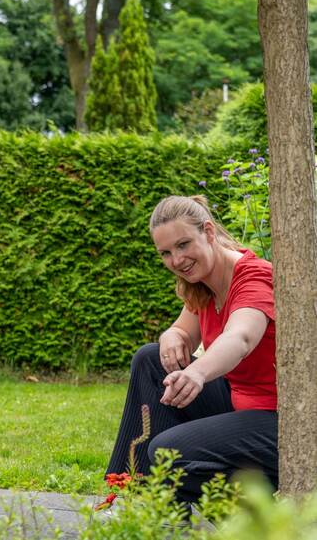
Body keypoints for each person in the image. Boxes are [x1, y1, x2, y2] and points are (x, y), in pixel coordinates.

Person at [103, 194, 277, 507]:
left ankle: (256, 519)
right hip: (240, 405)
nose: (176, 260)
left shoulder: (254, 277)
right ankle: (130, 491)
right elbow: (183, 330)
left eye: (183, 245)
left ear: (209, 232)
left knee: (167, 452)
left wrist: (197, 372)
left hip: (278, 420)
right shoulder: (204, 283)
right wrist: (172, 334)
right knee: (150, 357)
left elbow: (240, 338)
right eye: (166, 253)